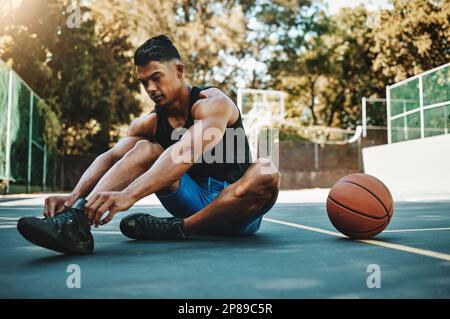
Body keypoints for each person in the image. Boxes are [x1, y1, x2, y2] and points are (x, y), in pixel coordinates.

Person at [17, 35, 280, 255]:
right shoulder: (149, 124)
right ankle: (76, 225)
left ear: (179, 70)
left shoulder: (213, 104)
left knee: (266, 170)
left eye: (156, 77)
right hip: (191, 198)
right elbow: (111, 158)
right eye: (143, 82)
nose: (151, 88)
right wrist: (74, 198)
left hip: (237, 210)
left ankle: (181, 228)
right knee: (145, 149)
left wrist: (128, 196)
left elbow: (186, 152)